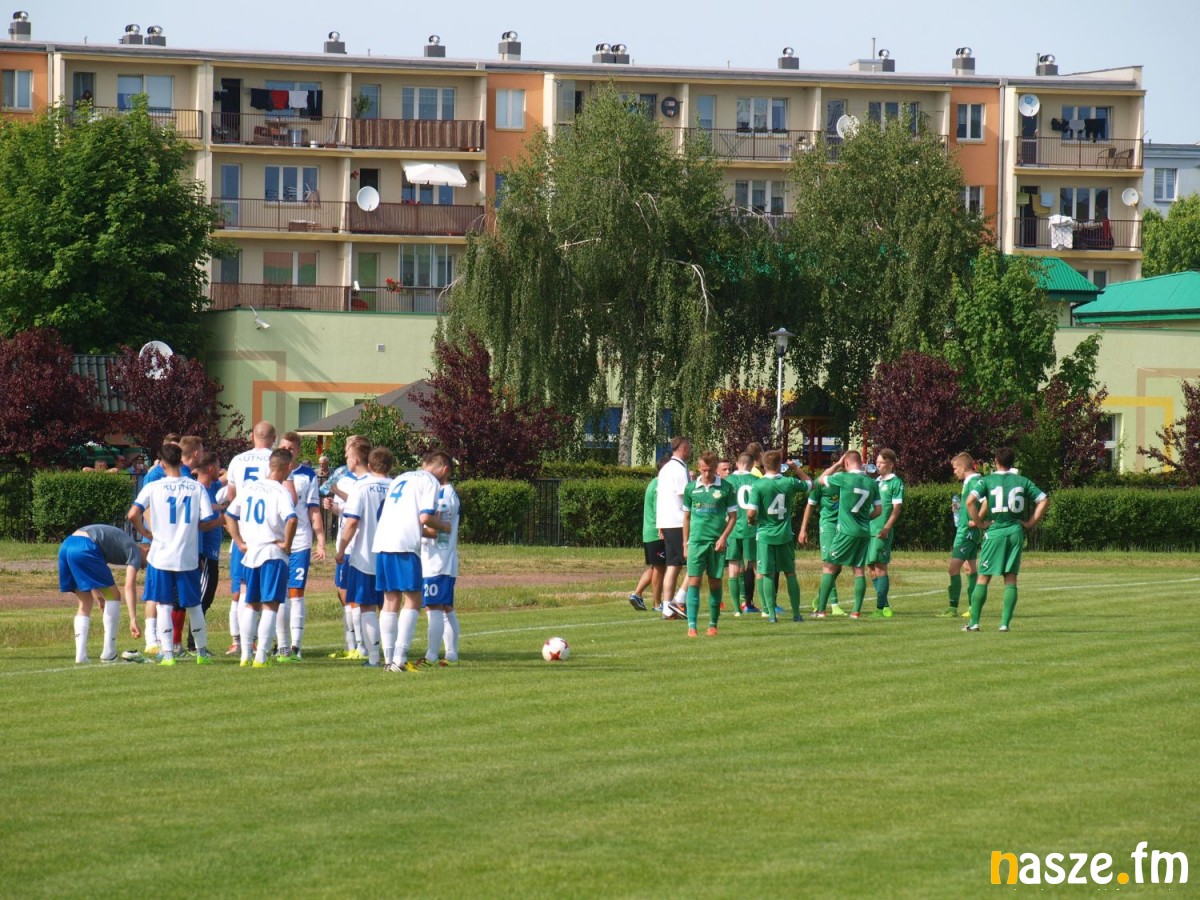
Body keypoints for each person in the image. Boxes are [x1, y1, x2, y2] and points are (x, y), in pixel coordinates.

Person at [127, 443, 221, 665]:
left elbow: (132, 514)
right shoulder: (196, 487)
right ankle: (202, 652)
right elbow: (207, 520)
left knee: (164, 604)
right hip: (187, 555)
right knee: (194, 604)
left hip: (160, 555)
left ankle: (167, 653)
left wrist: (145, 532)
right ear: (181, 460)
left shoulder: (153, 486)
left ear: (161, 463)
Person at [375, 450, 451, 672]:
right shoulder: (430, 482)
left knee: (390, 599)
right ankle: (399, 659)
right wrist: (442, 526)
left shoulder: (401, 477)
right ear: (444, 470)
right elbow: (425, 517)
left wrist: (425, 532)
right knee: (414, 599)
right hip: (405, 544)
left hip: (383, 540)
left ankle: (388, 659)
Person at [963, 448, 1049, 633]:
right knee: (1010, 578)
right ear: (1012, 462)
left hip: (996, 531)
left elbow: (970, 502)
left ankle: (974, 623)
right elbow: (1043, 500)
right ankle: (1004, 624)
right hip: (1015, 531)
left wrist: (979, 523)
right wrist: (1030, 522)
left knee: (983, 576)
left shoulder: (987, 480)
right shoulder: (1022, 481)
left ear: (996, 461)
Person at [225, 448, 297, 666]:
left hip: (250, 553)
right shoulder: (281, 491)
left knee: (251, 604)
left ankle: (245, 654)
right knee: (270, 605)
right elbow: (292, 518)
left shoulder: (250, 488)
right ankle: (261, 656)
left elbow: (229, 514)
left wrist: (239, 542)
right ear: (288, 467)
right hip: (272, 553)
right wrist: (287, 544)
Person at [335, 446, 394, 666]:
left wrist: (341, 549)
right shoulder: (396, 486)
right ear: (390, 466)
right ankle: (393, 656)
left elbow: (351, 522)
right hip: (391, 554)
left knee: (367, 607)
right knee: (389, 606)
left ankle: (374, 657)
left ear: (369, 465)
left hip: (365, 556)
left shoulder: (361, 486)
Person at [222, 421, 277, 657]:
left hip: (242, 532)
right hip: (266, 533)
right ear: (273, 438)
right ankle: (264, 643)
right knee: (269, 593)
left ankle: (238, 642)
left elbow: (231, 496)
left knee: (241, 589)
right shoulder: (274, 459)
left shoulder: (238, 460)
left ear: (253, 436)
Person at [58, 524, 146, 663]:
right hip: (86, 547)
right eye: (149, 562)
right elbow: (129, 586)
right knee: (114, 596)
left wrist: (99, 598)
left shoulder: (118, 545)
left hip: (67, 546)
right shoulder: (135, 551)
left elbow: (92, 573)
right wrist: (133, 619)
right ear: (147, 550)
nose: (145, 567)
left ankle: (81, 656)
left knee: (85, 602)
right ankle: (109, 652)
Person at [812, 451, 882, 618]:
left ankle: (821, 611)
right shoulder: (872, 483)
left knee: (829, 566)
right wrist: (864, 518)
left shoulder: (843, 477)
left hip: (846, 531)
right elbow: (878, 510)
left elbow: (820, 480)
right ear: (861, 462)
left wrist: (836, 465)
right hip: (864, 532)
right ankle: (856, 612)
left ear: (846, 463)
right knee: (858, 569)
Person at [276, 431, 327, 660]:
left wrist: (321, 540)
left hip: (300, 540)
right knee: (278, 592)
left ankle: (296, 645)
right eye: (283, 447)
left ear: (297, 451)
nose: (287, 451)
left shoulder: (307, 475)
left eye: (291, 448)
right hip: (276, 540)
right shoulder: (271, 473)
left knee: (296, 591)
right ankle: (280, 643)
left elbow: (313, 509)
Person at [746, 450, 811, 623]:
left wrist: (751, 521)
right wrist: (795, 468)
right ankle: (796, 614)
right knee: (790, 573)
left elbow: (751, 512)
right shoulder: (789, 482)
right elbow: (809, 484)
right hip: (785, 535)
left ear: (763, 464)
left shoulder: (758, 485)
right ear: (780, 463)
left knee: (767, 574)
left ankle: (771, 615)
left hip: (765, 535)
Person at [682, 450, 738, 637]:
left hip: (716, 543)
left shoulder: (726, 488)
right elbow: (686, 517)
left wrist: (723, 538)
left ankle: (713, 624)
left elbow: (733, 517)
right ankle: (692, 626)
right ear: (698, 468)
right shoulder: (691, 488)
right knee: (694, 581)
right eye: (704, 470)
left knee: (714, 582)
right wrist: (685, 543)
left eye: (711, 470)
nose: (707, 474)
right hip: (696, 542)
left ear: (716, 469)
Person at [327, 438, 370, 659]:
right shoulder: (345, 480)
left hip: (355, 546)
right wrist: (332, 507)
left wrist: (336, 489)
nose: (345, 457)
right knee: (343, 593)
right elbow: (344, 511)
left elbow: (356, 509)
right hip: (345, 541)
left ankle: (361, 645)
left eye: (347, 452)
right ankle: (351, 644)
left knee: (354, 596)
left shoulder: (365, 482)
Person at [419, 461, 461, 666]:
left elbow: (436, 530)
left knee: (434, 606)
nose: (425, 473)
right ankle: (451, 654)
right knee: (445, 607)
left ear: (444, 470)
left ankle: (431, 655)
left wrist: (412, 530)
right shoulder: (444, 492)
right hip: (442, 559)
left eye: (429, 468)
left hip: (437, 559)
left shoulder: (443, 495)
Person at [191, 451, 226, 654]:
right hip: (204, 552)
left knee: (207, 597)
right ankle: (193, 643)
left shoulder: (211, 487)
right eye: (218, 466)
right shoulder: (199, 490)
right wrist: (223, 520)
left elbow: (226, 478)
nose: (220, 470)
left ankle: (193, 642)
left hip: (212, 552)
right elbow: (201, 525)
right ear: (211, 469)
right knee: (201, 599)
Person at [942, 452, 982, 618]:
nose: (954, 472)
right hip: (965, 531)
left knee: (953, 568)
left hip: (967, 533)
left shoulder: (974, 482)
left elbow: (986, 501)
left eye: (955, 468)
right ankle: (973, 607)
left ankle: (953, 608)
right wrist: (959, 510)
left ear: (964, 467)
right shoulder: (970, 482)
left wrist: (976, 521)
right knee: (969, 568)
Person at [655, 436, 692, 620]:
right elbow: (686, 496)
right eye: (689, 447)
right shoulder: (678, 469)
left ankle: (667, 608)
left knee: (673, 565)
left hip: (667, 522)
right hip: (678, 522)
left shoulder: (665, 468)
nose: (690, 451)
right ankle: (679, 600)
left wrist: (660, 524)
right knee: (695, 562)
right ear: (683, 448)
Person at [798, 475, 846, 616]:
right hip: (828, 526)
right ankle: (834, 605)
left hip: (844, 527)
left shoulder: (849, 480)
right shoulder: (821, 482)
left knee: (838, 567)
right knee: (830, 564)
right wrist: (803, 529)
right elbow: (810, 505)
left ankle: (820, 597)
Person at [866, 448, 904, 618]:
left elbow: (897, 509)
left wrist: (887, 527)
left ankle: (880, 608)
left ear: (891, 464)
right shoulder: (875, 482)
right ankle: (885, 605)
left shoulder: (896, 482)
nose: (878, 465)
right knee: (870, 567)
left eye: (881, 462)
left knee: (880, 567)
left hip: (881, 530)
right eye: (877, 462)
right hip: (869, 529)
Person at [629, 453, 669, 612]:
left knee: (655, 567)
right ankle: (657, 604)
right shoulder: (660, 486)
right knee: (660, 568)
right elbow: (660, 509)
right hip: (657, 533)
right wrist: (662, 528)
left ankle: (637, 594)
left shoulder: (654, 482)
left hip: (650, 532)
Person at [722, 452, 758, 618]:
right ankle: (766, 608)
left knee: (733, 569)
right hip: (751, 528)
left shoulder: (727, 481)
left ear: (737, 463)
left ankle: (737, 609)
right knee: (757, 567)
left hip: (732, 529)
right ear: (752, 465)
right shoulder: (757, 481)